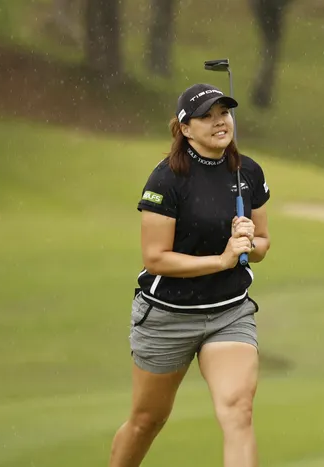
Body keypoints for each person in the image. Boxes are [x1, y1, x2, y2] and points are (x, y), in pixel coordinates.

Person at [109, 83, 271, 467]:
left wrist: (248, 242)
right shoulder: (167, 179)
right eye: (207, 117)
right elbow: (156, 259)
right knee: (147, 420)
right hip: (168, 316)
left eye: (224, 113)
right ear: (185, 129)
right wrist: (221, 260)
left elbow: (262, 245)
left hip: (229, 313)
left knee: (238, 411)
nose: (220, 122)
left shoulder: (247, 172)